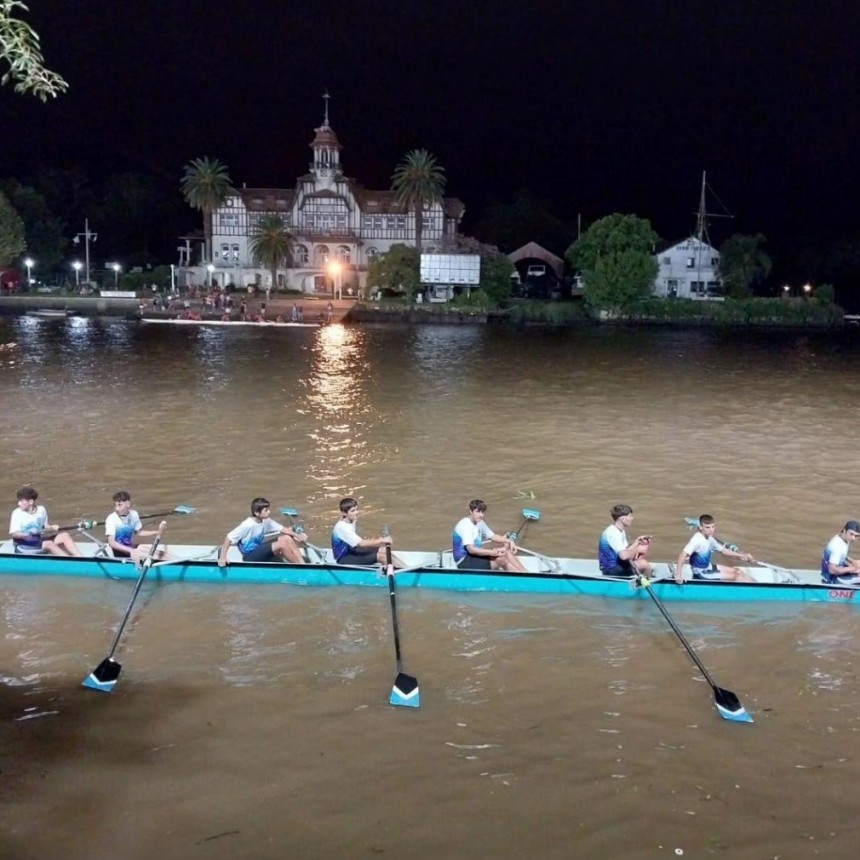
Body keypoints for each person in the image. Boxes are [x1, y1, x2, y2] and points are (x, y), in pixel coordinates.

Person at [218, 497, 306, 567]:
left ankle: (303, 564)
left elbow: (281, 529)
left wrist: (297, 535)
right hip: (249, 556)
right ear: (257, 513)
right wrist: (223, 558)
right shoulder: (247, 525)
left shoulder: (266, 520)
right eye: (266, 510)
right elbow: (228, 538)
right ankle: (298, 568)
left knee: (286, 537)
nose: (269, 512)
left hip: (258, 548)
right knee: (282, 544)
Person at [675, 514, 756, 584]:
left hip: (708, 567)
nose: (711, 530)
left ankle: (758, 586)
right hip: (701, 573)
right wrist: (678, 575)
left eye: (713, 527)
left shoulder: (710, 539)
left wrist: (741, 556)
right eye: (707, 527)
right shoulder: (697, 540)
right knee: (737, 577)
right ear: (700, 528)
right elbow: (682, 555)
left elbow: (723, 551)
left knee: (737, 571)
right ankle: (758, 593)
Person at [452, 499, 527, 572]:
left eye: (482, 512)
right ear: (471, 511)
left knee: (506, 552)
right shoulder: (465, 526)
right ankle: (522, 580)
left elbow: (493, 536)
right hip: (464, 561)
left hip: (475, 556)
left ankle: (527, 573)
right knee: (501, 559)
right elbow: (471, 550)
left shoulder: (479, 522)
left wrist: (509, 541)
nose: (481, 515)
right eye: (477, 512)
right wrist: (492, 552)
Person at [9, 486, 83, 557]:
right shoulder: (17, 513)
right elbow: (14, 534)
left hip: (37, 541)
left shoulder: (41, 510)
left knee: (65, 535)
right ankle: (71, 562)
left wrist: (51, 527)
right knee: (48, 543)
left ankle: (81, 559)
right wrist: (25, 535)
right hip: (23, 546)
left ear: (31, 502)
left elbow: (45, 527)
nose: (18, 503)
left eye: (21, 501)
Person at [332, 497, 405, 567]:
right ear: (344, 513)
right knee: (382, 557)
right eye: (353, 511)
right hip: (343, 558)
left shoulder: (351, 519)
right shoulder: (342, 528)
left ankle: (406, 569)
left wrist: (378, 542)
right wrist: (381, 540)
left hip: (352, 549)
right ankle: (394, 575)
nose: (356, 512)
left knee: (384, 549)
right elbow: (361, 543)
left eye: (356, 509)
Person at [105, 490, 169, 561]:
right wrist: (131, 550)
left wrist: (157, 532)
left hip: (130, 547)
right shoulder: (111, 518)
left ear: (128, 504)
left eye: (119, 505)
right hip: (119, 552)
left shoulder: (134, 514)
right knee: (153, 556)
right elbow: (112, 543)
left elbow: (139, 533)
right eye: (115, 505)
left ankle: (181, 562)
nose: (116, 508)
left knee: (161, 554)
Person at [598, 504, 652, 577]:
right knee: (643, 564)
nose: (632, 518)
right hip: (610, 569)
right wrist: (638, 550)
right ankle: (649, 584)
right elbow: (624, 556)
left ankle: (645, 579)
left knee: (641, 561)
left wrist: (637, 542)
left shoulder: (620, 530)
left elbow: (625, 550)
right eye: (630, 516)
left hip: (618, 564)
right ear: (623, 519)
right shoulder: (612, 533)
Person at [820, 520, 860, 584]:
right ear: (844, 530)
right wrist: (853, 568)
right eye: (851, 534)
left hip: (838, 569)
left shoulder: (842, 537)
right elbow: (832, 570)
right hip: (832, 577)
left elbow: (841, 554)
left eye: (856, 536)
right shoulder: (837, 546)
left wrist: (853, 561)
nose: (853, 538)